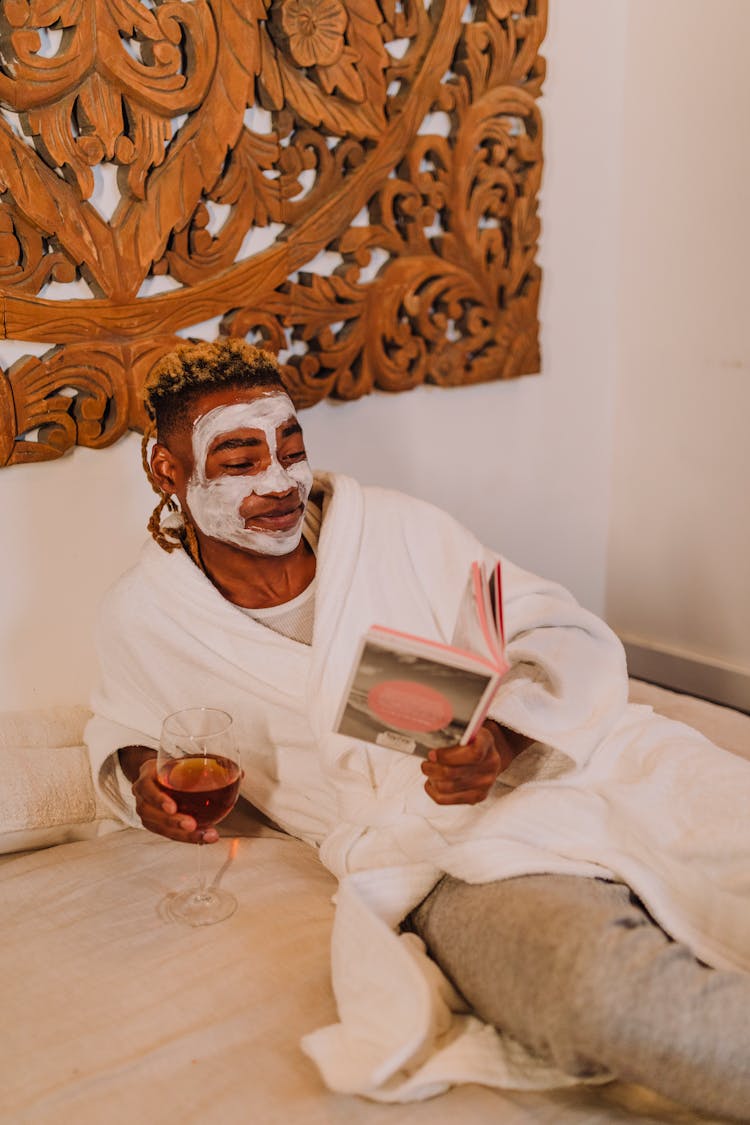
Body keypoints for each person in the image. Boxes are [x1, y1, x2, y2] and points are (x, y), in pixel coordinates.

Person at [87, 338, 750, 1120]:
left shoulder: (396, 529)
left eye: (291, 448)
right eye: (240, 458)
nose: (279, 481)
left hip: (576, 765)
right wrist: (144, 780)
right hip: (434, 852)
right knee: (596, 991)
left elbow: (553, 629)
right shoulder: (149, 614)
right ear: (168, 471)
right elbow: (128, 727)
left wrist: (506, 734)